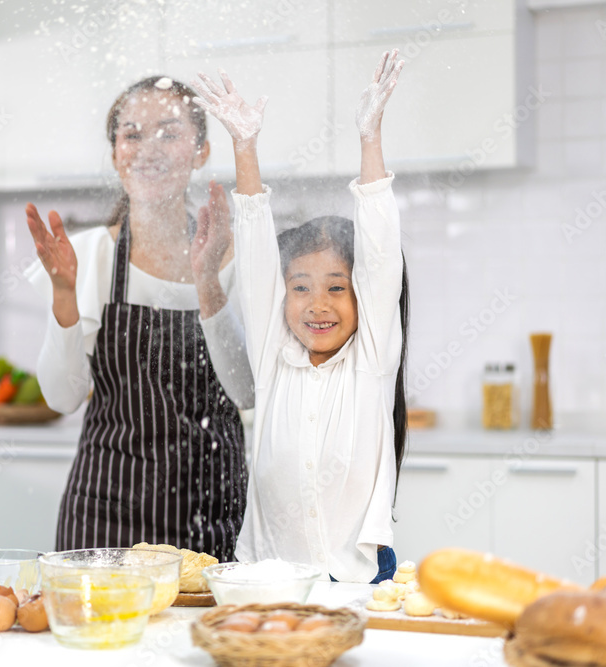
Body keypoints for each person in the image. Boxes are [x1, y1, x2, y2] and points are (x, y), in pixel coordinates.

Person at [193, 49, 409, 583]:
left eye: (338, 287)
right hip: (270, 573)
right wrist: (244, 146)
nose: (318, 303)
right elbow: (258, 252)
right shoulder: (275, 357)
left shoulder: (372, 360)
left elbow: (380, 255)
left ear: (362, 297)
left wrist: (370, 138)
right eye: (301, 288)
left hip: (356, 576)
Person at [24, 76, 252, 561]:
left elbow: (247, 390)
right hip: (107, 515)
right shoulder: (87, 258)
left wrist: (208, 278)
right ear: (115, 155)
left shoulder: (236, 258)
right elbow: (63, 399)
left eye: (170, 133)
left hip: (214, 515)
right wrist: (64, 293)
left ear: (202, 151)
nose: (149, 149)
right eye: (132, 134)